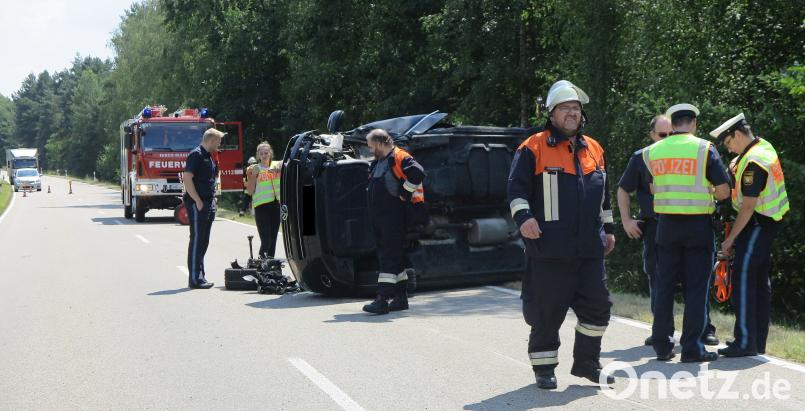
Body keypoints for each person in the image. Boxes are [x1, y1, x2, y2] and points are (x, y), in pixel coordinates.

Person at [507, 80, 616, 389]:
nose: (572, 113)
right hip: (549, 248)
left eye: (576, 108)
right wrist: (524, 217)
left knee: (598, 307)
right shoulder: (533, 147)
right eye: (565, 108)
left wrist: (609, 229)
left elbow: (604, 196)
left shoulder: (594, 148)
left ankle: (587, 363)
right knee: (546, 311)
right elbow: (516, 190)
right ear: (551, 114)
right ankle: (544, 367)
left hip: (589, 248)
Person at [618, 116, 720, 347]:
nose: (667, 138)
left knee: (697, 280)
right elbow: (623, 189)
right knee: (660, 281)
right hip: (657, 226)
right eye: (662, 135)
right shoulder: (644, 156)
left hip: (692, 223)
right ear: (652, 135)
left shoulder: (692, 153)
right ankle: (663, 333)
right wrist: (626, 220)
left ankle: (703, 330)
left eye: (670, 134)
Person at [645, 103, 731, 362]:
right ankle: (692, 349)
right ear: (694, 123)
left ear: (672, 125)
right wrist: (709, 191)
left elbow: (653, 187)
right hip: (697, 227)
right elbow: (724, 191)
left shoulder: (652, 151)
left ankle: (662, 345)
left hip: (666, 226)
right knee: (696, 288)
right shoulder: (705, 149)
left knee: (664, 286)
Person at [711, 113, 789, 357]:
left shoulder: (754, 162)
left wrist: (731, 238)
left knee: (743, 279)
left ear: (737, 134)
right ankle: (757, 342)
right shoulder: (761, 147)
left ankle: (745, 342)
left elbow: (747, 206)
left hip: (757, 224)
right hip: (766, 223)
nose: (729, 149)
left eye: (728, 142)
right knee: (758, 282)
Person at [362, 128, 425, 315]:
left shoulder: (399, 156)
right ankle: (400, 298)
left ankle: (382, 300)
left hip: (394, 218)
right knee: (394, 258)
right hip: (381, 219)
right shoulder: (379, 162)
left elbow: (418, 172)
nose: (370, 150)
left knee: (388, 258)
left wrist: (405, 192)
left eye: (371, 147)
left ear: (380, 143)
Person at [183, 128, 225, 289]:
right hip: (198, 203)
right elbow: (187, 178)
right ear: (211, 140)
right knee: (197, 240)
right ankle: (194, 278)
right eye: (218, 142)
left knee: (204, 241)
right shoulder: (196, 154)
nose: (219, 145)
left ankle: (200, 276)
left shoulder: (209, 156)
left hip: (208, 202)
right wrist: (197, 200)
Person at [246, 143, 282, 258]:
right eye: (261, 153)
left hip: (276, 206)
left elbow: (288, 161)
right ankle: (260, 262)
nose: (264, 155)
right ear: (258, 155)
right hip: (261, 207)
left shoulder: (277, 164)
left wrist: (280, 166)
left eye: (266, 153)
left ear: (270, 153)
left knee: (273, 239)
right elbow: (250, 191)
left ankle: (270, 264)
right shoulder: (254, 168)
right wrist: (252, 176)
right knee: (266, 241)